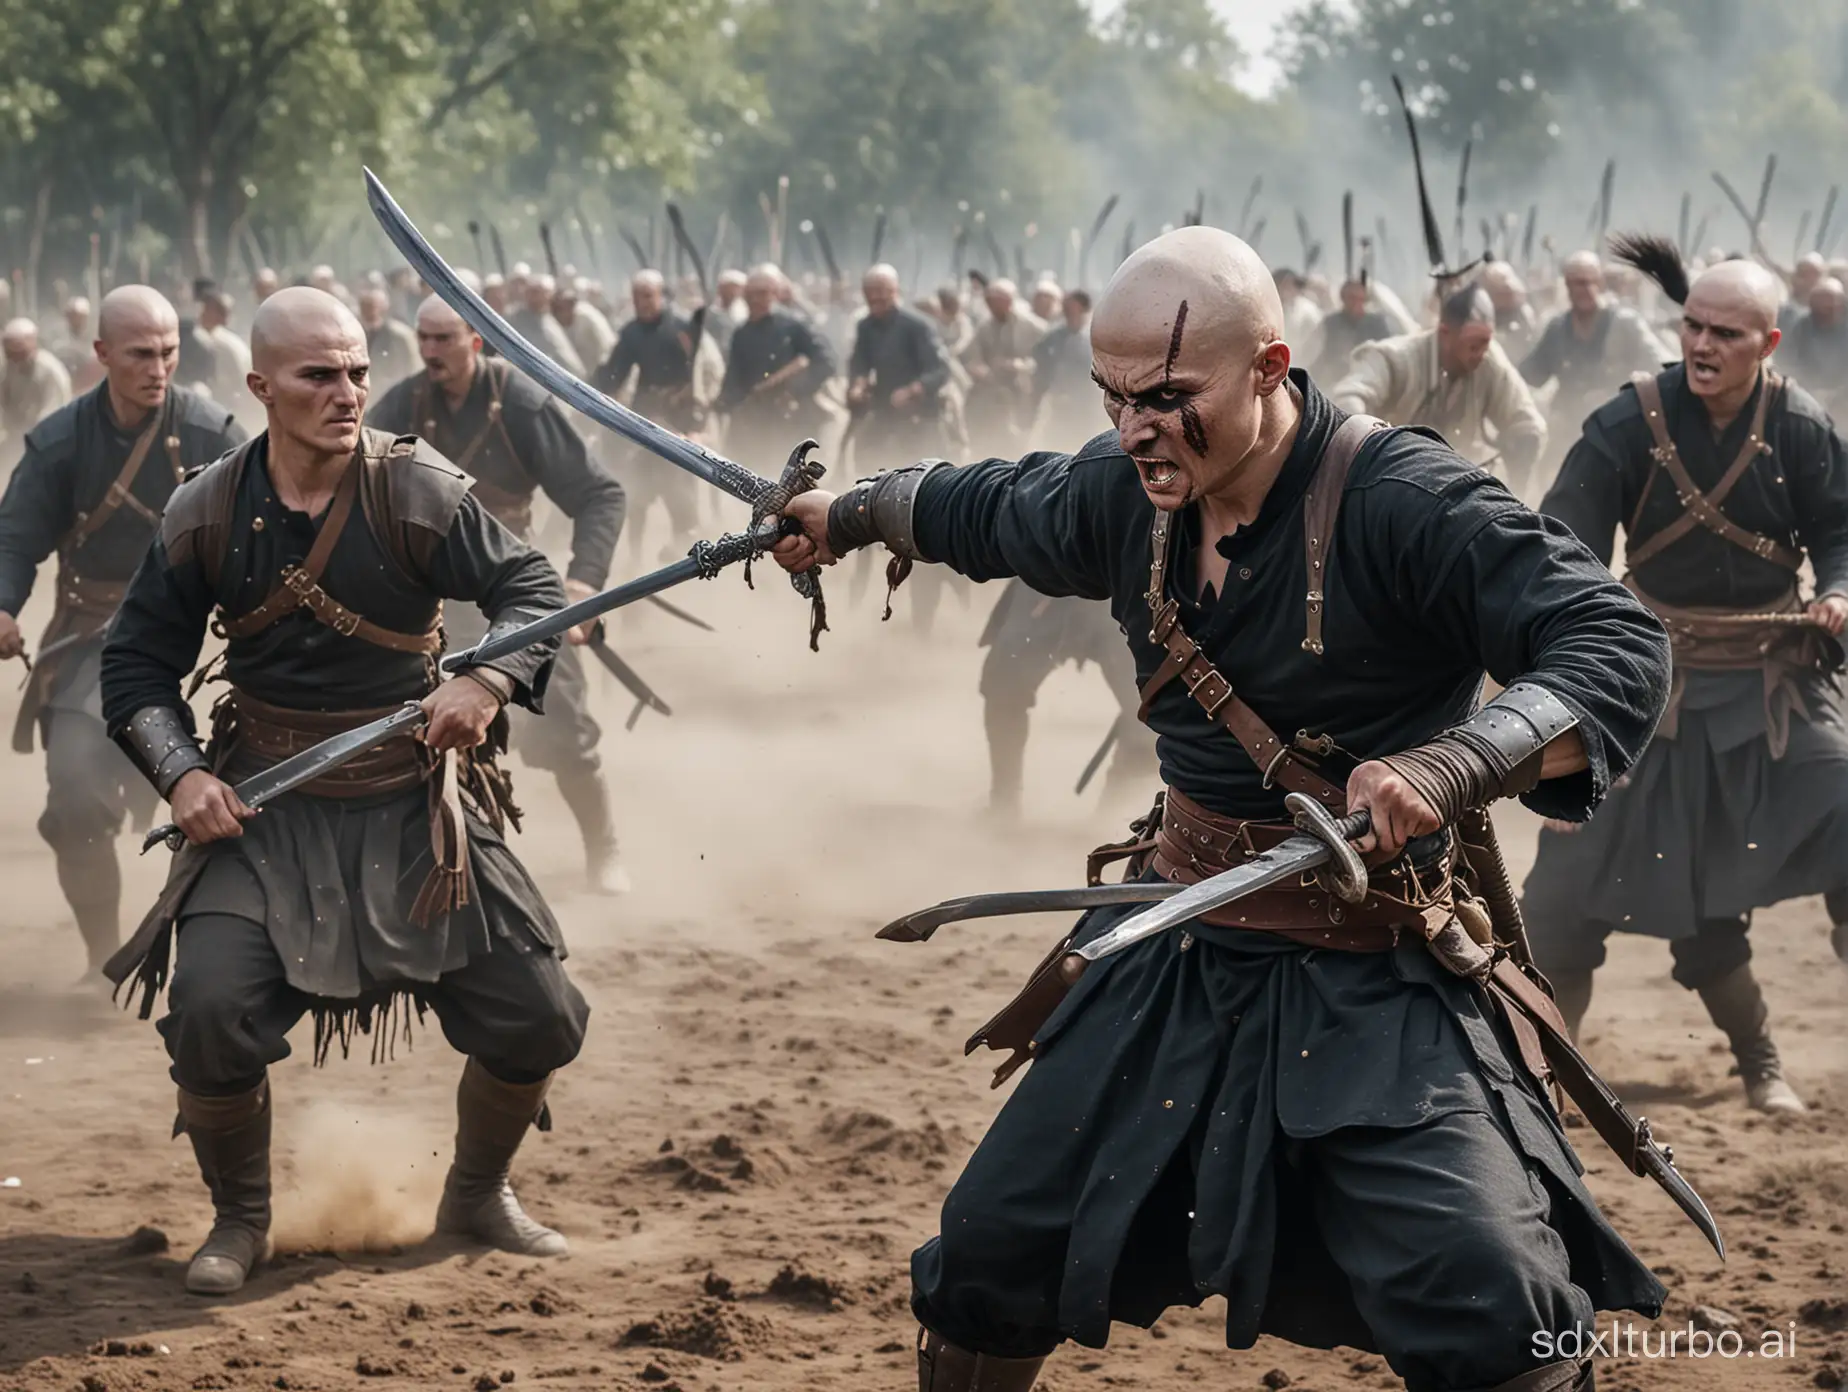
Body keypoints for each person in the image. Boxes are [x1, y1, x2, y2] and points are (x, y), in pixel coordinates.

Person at [773, 225, 1670, 1392]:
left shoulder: (1405, 499)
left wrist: (1456, 765)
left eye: (1167, 395)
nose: (1136, 426)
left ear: (1268, 366)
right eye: (1114, 398)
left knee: (1489, 1297)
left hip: (1378, 964)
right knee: (992, 1252)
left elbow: (1614, 637)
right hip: (1180, 936)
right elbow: (994, 504)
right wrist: (847, 513)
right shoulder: (1129, 488)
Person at [100, 287, 587, 1297]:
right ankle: (240, 1218)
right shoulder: (205, 512)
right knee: (209, 1011)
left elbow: (535, 592)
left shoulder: (417, 490)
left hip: (415, 804)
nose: (347, 391)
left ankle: (476, 1196)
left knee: (540, 1013)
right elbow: (135, 668)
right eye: (320, 374)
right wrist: (182, 773)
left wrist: (485, 677)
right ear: (261, 385)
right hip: (264, 814)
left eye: (359, 371)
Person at [1525, 255, 1848, 1116]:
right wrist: (1571, 658)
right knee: (1561, 894)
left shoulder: (1803, 428)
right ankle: (1546, 1075)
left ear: (1768, 344)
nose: (1702, 345)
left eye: (1726, 334)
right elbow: (1561, 554)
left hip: (1770, 695)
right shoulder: (1626, 424)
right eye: (1693, 326)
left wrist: (1841, 593)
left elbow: (1842, 533)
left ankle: (1761, 1068)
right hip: (1644, 695)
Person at [0, 286, 245, 977]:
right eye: (141, 353)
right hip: (94, 644)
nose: (158, 367)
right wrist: (4, 603)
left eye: (168, 352)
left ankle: (228, 963)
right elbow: (14, 538)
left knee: (250, 796)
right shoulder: (59, 442)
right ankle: (103, 954)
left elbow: (272, 525)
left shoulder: (212, 431)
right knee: (75, 798)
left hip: (207, 644)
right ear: (102, 352)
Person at [370, 295, 629, 893]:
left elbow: (600, 495)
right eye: (423, 338)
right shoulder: (403, 404)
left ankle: (603, 845)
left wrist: (583, 583)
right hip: (427, 593)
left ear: (476, 341)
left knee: (565, 726)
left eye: (443, 339)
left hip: (515, 590)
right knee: (413, 732)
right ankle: (448, 868)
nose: (430, 352)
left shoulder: (521, 403)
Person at [1331, 284, 1547, 494]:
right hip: (1390, 484)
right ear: (1445, 333)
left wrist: (1523, 451)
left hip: (1462, 488)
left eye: (1485, 344)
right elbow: (1349, 397)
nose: (1480, 354)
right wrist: (1370, 447)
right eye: (1473, 345)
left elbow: (1526, 420)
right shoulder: (1396, 358)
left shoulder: (1489, 361)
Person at [1520, 252, 1671, 477]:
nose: (1584, 289)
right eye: (1577, 283)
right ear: (1567, 286)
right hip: (1568, 430)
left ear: (1600, 283)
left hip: (1617, 425)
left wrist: (1627, 394)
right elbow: (1530, 374)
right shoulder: (1558, 328)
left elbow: (1660, 366)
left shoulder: (1625, 324)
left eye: (1589, 281)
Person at [594, 269, 703, 552]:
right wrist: (590, 388)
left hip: (679, 419)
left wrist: (694, 424)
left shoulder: (682, 330)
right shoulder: (631, 332)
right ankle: (635, 555)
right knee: (636, 489)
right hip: (643, 418)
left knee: (677, 488)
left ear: (660, 296)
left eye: (647, 296)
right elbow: (615, 373)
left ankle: (687, 547)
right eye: (636, 296)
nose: (641, 302)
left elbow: (698, 377)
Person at [716, 264, 838, 459]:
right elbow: (734, 375)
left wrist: (794, 390)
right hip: (755, 418)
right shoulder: (742, 332)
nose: (756, 299)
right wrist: (726, 402)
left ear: (774, 294)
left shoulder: (794, 325)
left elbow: (825, 361)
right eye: (751, 294)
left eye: (763, 293)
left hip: (791, 417)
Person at [960, 278, 1045, 455]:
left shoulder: (1033, 326)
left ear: (1007, 301)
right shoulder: (985, 326)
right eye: (988, 301)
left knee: (1020, 440)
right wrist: (978, 368)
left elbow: (1045, 359)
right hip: (993, 392)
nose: (990, 305)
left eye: (994, 300)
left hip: (1022, 391)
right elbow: (971, 354)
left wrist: (1018, 365)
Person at [1030, 289, 1099, 444]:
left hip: (1087, 404)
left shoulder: (1096, 335)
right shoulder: (1054, 336)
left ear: (1083, 309)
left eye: (1071, 308)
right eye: (1065, 308)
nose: (1067, 312)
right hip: (1059, 403)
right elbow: (1041, 362)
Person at [1305, 277, 1395, 382]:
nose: (1356, 303)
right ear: (1343, 299)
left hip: (1370, 379)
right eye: (1352, 298)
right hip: (1337, 379)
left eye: (1360, 299)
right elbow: (1319, 355)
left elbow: (1386, 353)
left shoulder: (1376, 324)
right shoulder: (1331, 324)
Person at [1781, 276, 1848, 413]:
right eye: (1818, 310)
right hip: (1807, 397)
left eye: (1828, 310)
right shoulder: (1802, 325)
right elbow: (1787, 361)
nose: (1823, 315)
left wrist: (1838, 395)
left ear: (1840, 306)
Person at [2, 318, 74, 443]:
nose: (16, 360)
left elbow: (53, 413)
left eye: (20, 353)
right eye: (11, 355)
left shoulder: (50, 371)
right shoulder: (7, 371)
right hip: (17, 437)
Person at [507, 273, 585, 378]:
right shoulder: (517, 320)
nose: (536, 298)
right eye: (533, 293)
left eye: (539, 293)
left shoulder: (548, 319)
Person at [358, 286, 420, 392]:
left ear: (384, 307)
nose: (368, 310)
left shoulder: (400, 336)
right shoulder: (357, 334)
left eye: (372, 306)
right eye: (364, 305)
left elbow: (414, 368)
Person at [553, 282, 616, 385]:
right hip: (580, 378)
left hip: (604, 375)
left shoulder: (588, 317)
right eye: (558, 309)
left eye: (564, 308)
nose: (561, 313)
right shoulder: (558, 323)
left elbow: (607, 346)